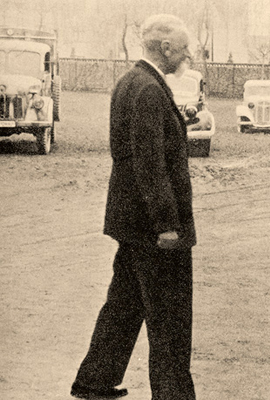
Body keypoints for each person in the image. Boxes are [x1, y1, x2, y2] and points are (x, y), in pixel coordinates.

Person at [70, 14, 196, 400]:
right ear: (166, 48)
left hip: (131, 224)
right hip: (153, 230)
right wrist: (167, 226)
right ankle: (173, 395)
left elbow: (139, 151)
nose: (188, 54)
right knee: (170, 318)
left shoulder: (132, 82)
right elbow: (149, 165)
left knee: (124, 303)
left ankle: (94, 381)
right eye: (184, 47)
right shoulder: (148, 90)